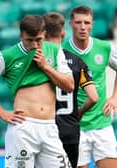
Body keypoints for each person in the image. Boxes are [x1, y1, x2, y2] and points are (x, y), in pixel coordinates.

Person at [0, 15, 74, 168]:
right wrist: (0, 111)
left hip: (50, 128)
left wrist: (46, 67)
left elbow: (69, 85)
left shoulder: (54, 50)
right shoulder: (7, 56)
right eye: (30, 40)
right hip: (23, 129)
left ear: (44, 34)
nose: (35, 45)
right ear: (21, 35)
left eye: (39, 40)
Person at [62, 5, 117, 168]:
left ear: (92, 24)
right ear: (70, 24)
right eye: (78, 22)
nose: (82, 27)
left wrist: (115, 98)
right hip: (75, 126)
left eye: (86, 22)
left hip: (102, 124)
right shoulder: (61, 50)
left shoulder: (104, 47)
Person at [43, 12, 98, 168]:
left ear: (43, 33)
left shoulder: (38, 61)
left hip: (45, 129)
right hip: (70, 131)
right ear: (63, 33)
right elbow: (93, 97)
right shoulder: (77, 62)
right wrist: (78, 113)